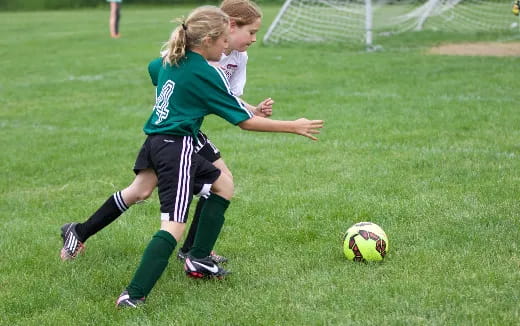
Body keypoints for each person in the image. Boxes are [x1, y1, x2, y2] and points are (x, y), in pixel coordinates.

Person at [109, 6, 322, 307]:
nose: (226, 46)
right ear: (207, 40)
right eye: (223, 40)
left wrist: (175, 101)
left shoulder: (173, 59)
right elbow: (244, 122)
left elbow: (153, 70)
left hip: (161, 141)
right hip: (178, 147)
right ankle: (134, 294)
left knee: (223, 185)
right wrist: (293, 126)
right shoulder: (206, 73)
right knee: (172, 224)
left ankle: (198, 259)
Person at [60, 0, 271, 264]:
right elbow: (157, 68)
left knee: (151, 189)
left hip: (188, 130)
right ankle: (192, 253)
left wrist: (252, 108)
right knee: (195, 185)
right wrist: (172, 99)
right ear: (227, 26)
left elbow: (228, 98)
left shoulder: (237, 57)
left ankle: (192, 250)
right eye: (251, 32)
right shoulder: (195, 48)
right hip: (174, 131)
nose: (253, 39)